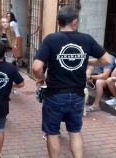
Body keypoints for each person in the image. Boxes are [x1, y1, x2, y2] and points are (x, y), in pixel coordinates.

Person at [32, 6, 112, 158]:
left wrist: (41, 77)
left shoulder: (50, 39)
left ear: (58, 22)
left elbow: (36, 67)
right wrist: (86, 61)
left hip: (55, 94)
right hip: (77, 95)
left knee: (52, 132)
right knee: (75, 132)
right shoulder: (86, 39)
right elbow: (106, 60)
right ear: (75, 22)